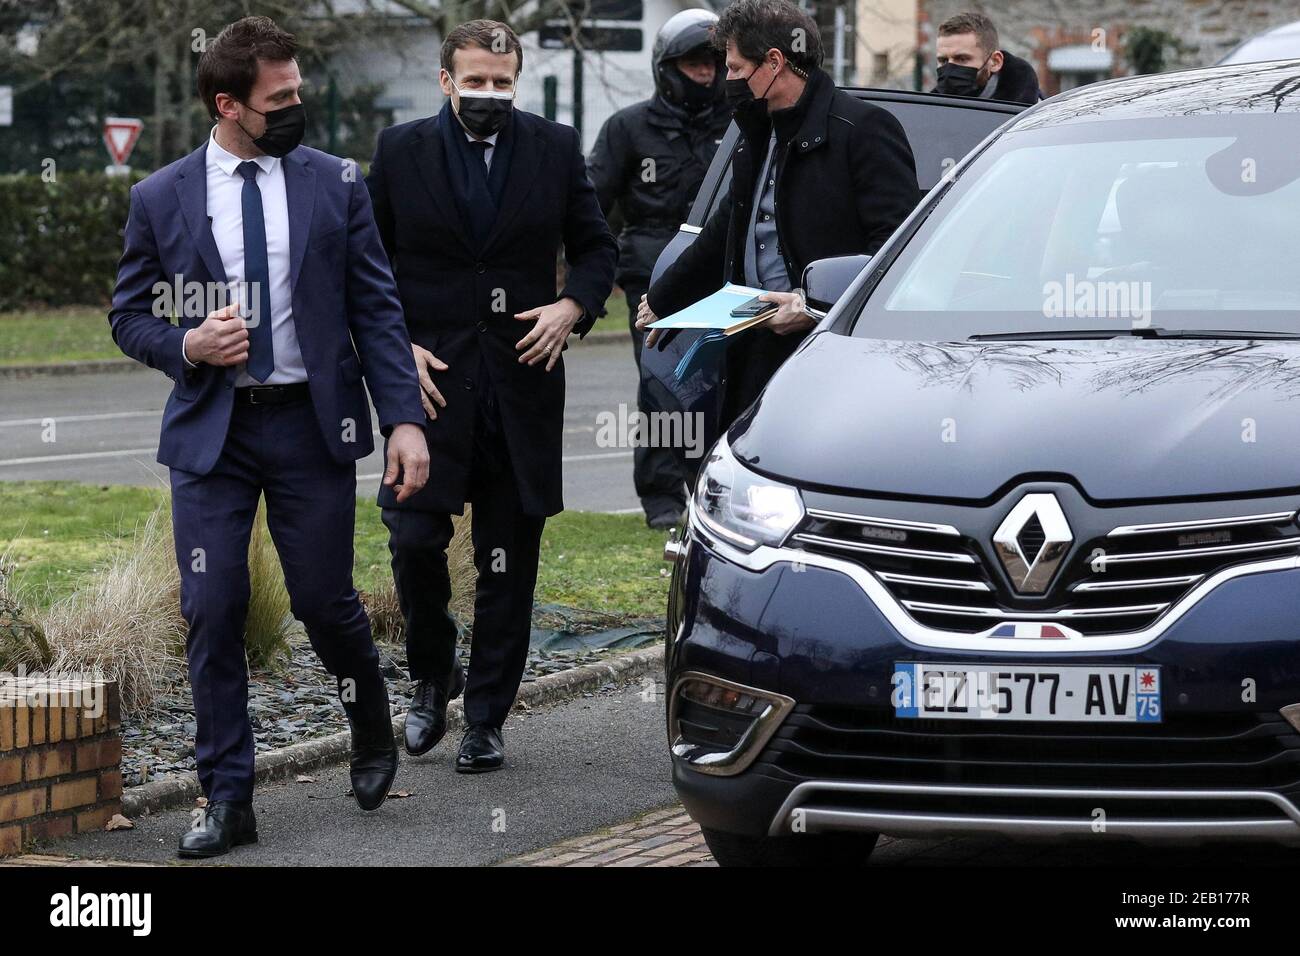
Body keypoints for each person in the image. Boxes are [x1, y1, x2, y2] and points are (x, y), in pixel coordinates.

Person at [108, 16, 429, 858]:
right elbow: (127, 316)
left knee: (325, 603)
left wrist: (403, 419)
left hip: (308, 427)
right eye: (278, 97)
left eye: (298, 91)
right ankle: (228, 799)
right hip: (212, 436)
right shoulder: (160, 195)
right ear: (228, 105)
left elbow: (376, 307)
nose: (296, 107)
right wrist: (184, 344)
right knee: (212, 609)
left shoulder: (335, 183)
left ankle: (368, 721)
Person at [366, 20, 617, 774]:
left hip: (521, 387)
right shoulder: (399, 151)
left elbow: (597, 247)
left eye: (501, 83)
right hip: (430, 387)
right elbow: (368, 263)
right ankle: (430, 672)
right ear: (446, 81)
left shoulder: (554, 146)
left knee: (508, 561)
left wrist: (575, 307)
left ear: (517, 80)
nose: (488, 95)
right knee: (413, 543)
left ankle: (485, 717)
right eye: (474, 82)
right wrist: (393, 345)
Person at [638, 0, 918, 430]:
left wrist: (813, 307)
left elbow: (895, 253)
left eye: (735, 67)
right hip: (752, 339)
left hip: (828, 350)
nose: (726, 79)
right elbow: (727, 227)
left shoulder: (864, 130)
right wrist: (663, 298)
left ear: (774, 62)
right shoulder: (757, 131)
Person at [588, 8, 732, 529]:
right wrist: (589, 279)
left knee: (727, 383)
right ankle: (661, 496)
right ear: (667, 65)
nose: (705, 70)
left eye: (714, 60)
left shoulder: (742, 128)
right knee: (664, 385)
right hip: (652, 276)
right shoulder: (627, 128)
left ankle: (716, 489)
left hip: (726, 277)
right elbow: (590, 208)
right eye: (693, 61)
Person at [932, 11, 1044, 106]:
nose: (949, 68)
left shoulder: (1035, 119)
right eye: (943, 61)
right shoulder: (928, 111)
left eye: (962, 59)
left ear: (995, 62)